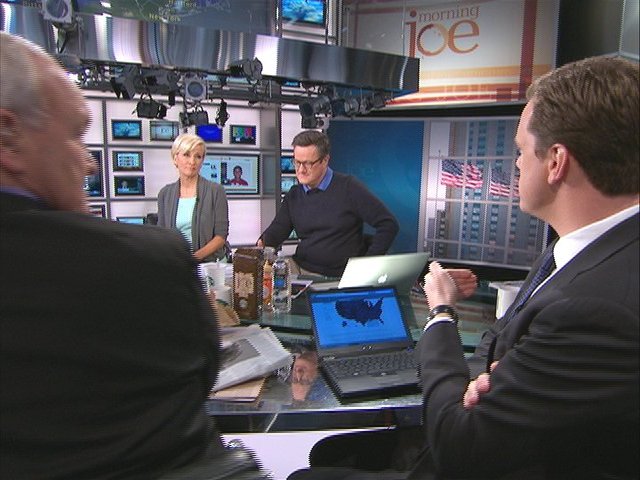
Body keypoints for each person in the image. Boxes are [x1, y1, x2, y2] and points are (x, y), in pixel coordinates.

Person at [289, 56, 639, 479]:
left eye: (520, 151)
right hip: (489, 437)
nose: (515, 164)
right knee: (332, 452)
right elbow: (499, 340)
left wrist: (441, 314)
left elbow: (462, 447)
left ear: (556, 161)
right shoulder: (572, 250)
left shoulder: (597, 308)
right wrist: (490, 376)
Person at [0, 32, 227, 479]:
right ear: (7, 136)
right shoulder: (148, 259)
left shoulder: (200, 207)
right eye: (75, 135)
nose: (89, 162)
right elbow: (199, 377)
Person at [258, 130, 399, 277]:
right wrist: (262, 245)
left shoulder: (349, 188)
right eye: (297, 162)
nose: (301, 170)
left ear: (325, 160)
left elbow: (388, 224)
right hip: (301, 268)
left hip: (338, 275)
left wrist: (367, 265)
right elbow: (277, 230)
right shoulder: (294, 194)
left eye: (308, 163)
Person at [157, 133, 229, 262]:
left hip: (210, 264)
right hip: (176, 262)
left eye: (198, 156)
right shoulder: (165, 194)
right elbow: (161, 235)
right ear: (175, 158)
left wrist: (192, 259)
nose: (192, 162)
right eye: (186, 155)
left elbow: (221, 236)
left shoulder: (216, 191)